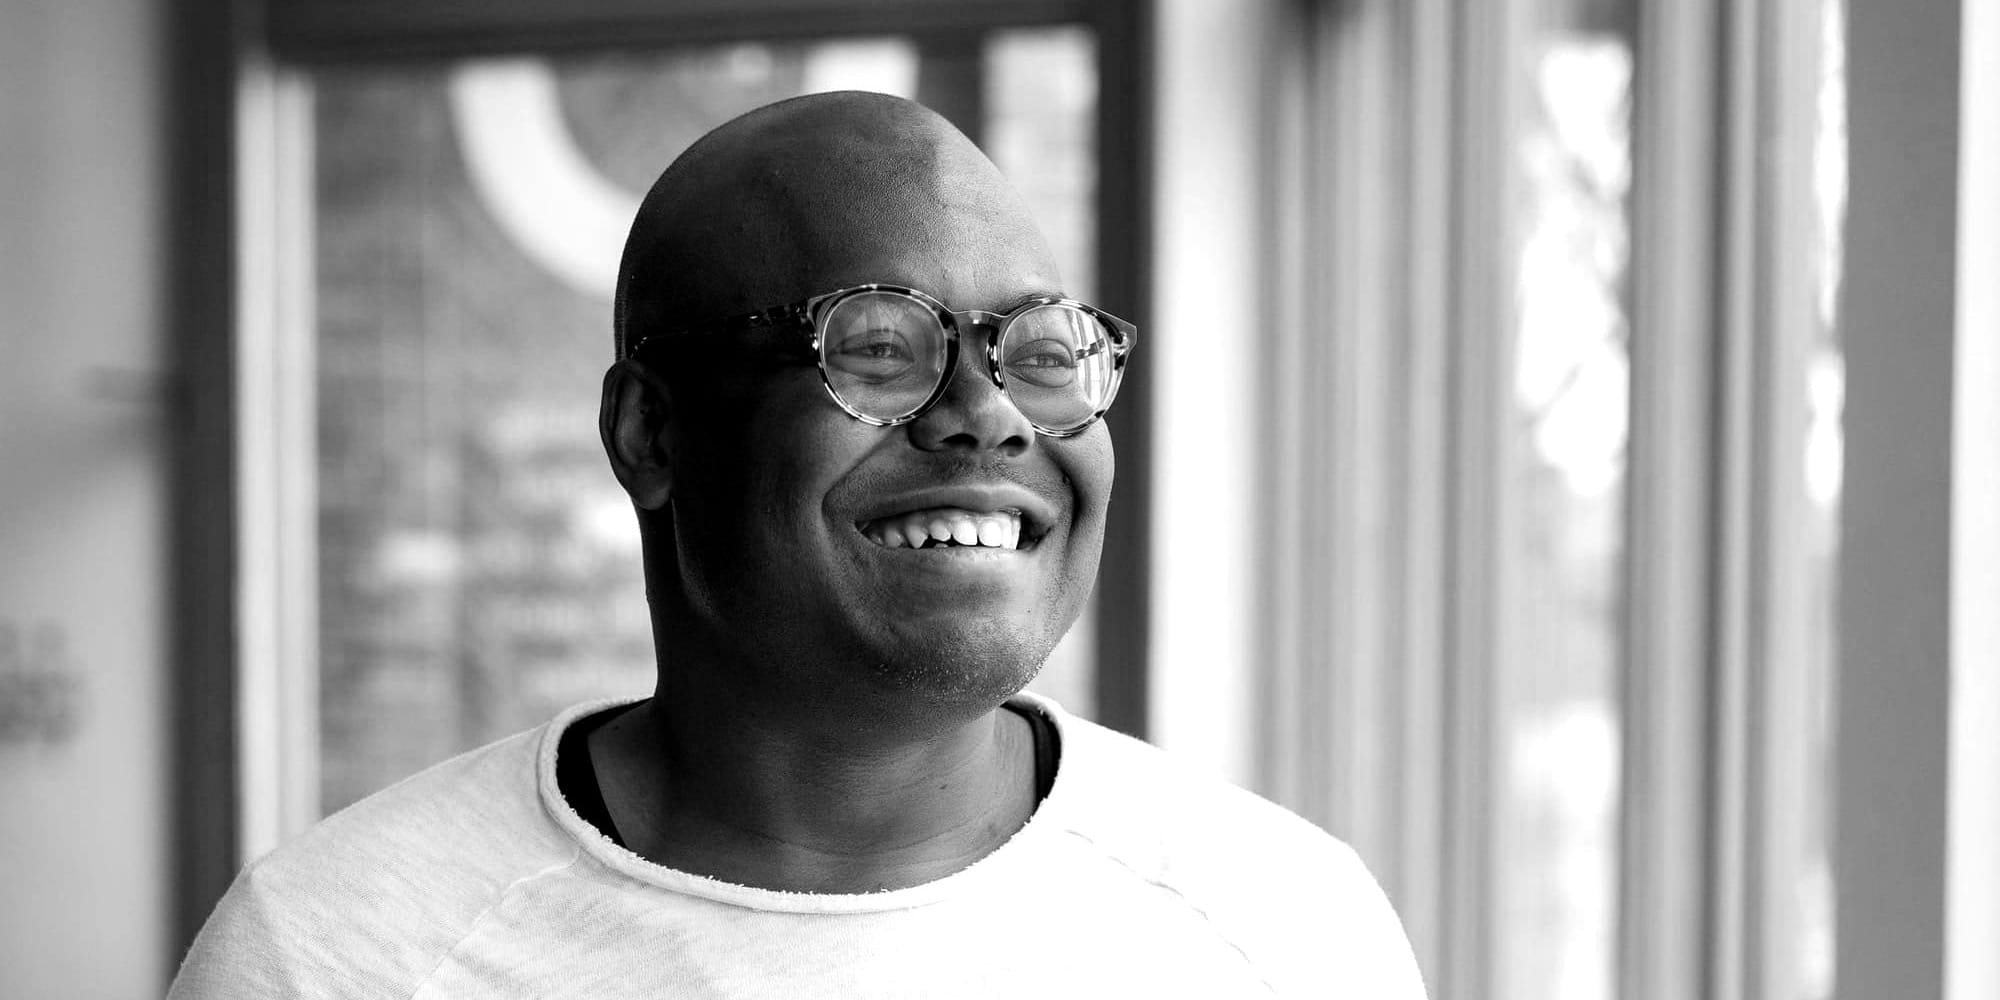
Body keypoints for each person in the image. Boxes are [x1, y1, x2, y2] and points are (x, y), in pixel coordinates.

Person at [169, 91, 1427, 998]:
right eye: (878, 347)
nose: (987, 418)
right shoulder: (341, 954)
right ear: (651, 431)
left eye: (1043, 356)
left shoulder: (1277, 927)